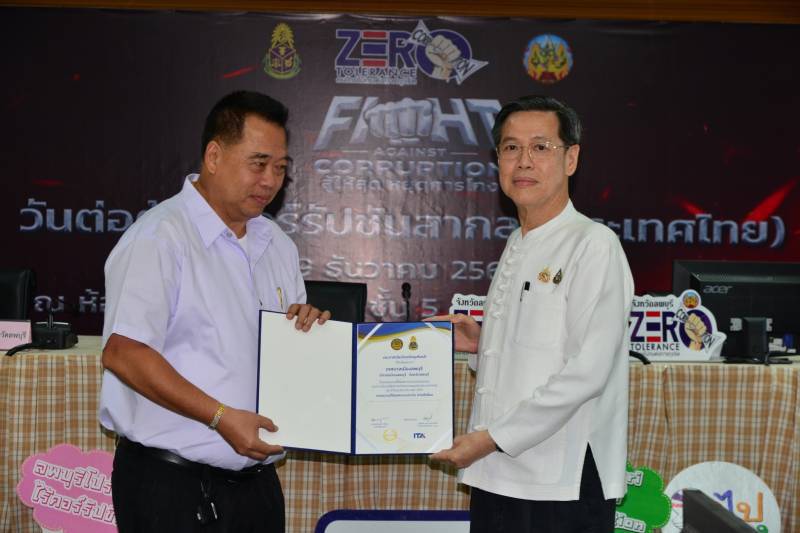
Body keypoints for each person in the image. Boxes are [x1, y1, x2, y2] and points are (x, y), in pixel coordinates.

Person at [99, 90, 329, 532]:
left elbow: (278, 357)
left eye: (280, 168)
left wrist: (307, 331)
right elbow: (123, 352)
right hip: (171, 486)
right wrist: (219, 417)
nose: (270, 180)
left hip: (255, 486)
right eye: (258, 163)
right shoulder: (160, 237)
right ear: (214, 156)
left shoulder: (278, 245)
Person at [430, 95, 634, 532]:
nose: (523, 161)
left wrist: (492, 439)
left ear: (571, 159)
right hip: (498, 473)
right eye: (511, 148)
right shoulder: (518, 242)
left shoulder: (592, 244)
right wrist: (482, 343)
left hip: (561, 479)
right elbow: (539, 349)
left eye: (541, 147)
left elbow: (587, 371)